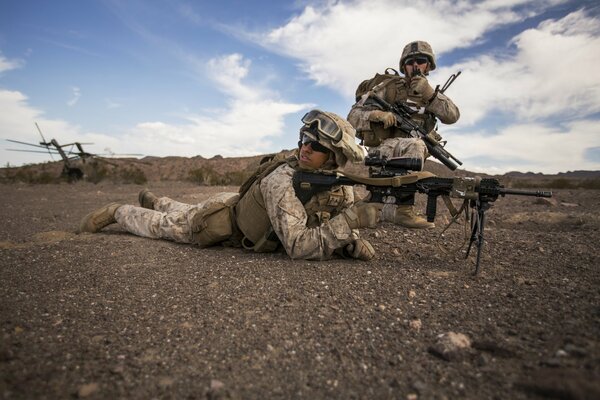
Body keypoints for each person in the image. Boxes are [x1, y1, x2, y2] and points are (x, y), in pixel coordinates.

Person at [78, 110, 382, 261]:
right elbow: (298, 245)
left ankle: (159, 199)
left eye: (315, 146)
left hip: (233, 202)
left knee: (180, 210)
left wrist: (350, 241)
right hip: (223, 221)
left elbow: (329, 220)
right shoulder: (282, 180)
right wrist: (351, 223)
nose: (305, 148)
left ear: (333, 158)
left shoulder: (340, 185)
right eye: (304, 140)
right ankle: (119, 211)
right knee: (167, 226)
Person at [347, 40, 460, 229]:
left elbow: (452, 116)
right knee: (415, 145)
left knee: (416, 145)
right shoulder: (389, 87)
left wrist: (430, 94)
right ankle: (400, 210)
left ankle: (388, 207)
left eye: (421, 60)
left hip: (414, 154)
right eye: (410, 62)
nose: (416, 66)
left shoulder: (431, 94)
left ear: (429, 65)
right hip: (383, 149)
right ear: (403, 66)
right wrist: (377, 115)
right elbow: (352, 116)